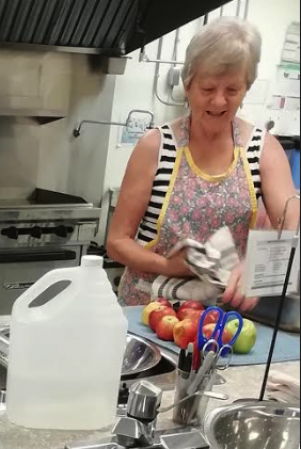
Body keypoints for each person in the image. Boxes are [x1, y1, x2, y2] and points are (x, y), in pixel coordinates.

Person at [107, 18, 299, 312]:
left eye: (232, 90)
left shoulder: (263, 150)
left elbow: (291, 226)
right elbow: (117, 241)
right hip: (146, 312)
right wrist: (168, 265)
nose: (219, 101)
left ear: (247, 88)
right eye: (208, 88)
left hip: (219, 320)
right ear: (188, 84)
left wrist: (255, 265)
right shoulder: (156, 146)